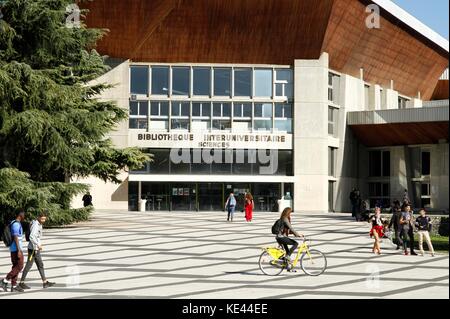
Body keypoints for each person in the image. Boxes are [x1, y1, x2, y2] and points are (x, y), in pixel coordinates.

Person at [18, 211, 55, 290]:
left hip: (35, 249)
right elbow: (32, 237)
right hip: (33, 249)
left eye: (44, 219)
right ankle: (21, 283)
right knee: (29, 265)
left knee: (40, 264)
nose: (43, 221)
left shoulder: (38, 224)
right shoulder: (35, 225)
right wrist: (38, 245)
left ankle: (45, 282)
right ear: (38, 217)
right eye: (42, 219)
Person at [1, 209, 26, 293]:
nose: (24, 216)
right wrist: (19, 250)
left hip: (14, 249)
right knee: (20, 266)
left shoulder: (14, 223)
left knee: (15, 266)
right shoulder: (15, 224)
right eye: (23, 214)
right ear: (20, 215)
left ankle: (14, 285)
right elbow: (15, 236)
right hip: (16, 249)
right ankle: (4, 281)